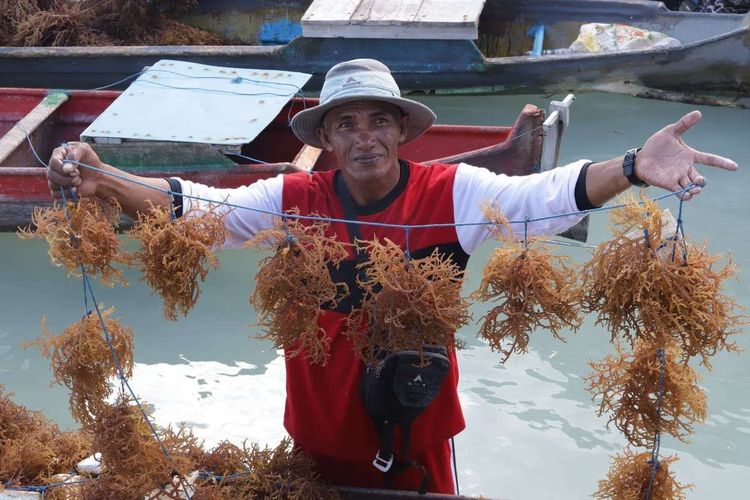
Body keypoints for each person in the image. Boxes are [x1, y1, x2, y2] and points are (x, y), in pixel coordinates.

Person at [47, 59, 737, 494]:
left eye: (381, 120)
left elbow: (549, 197)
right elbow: (192, 210)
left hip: (416, 437)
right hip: (317, 432)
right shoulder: (294, 201)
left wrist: (633, 164)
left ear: (404, 131)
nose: (365, 135)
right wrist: (98, 174)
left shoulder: (455, 192)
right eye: (347, 123)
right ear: (330, 137)